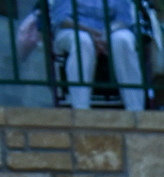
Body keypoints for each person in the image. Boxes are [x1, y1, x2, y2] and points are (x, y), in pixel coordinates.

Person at [16, 0, 146, 110]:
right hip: (72, 28)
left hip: (109, 31)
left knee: (123, 40)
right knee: (82, 41)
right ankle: (81, 108)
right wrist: (91, 33)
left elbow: (124, 19)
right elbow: (62, 19)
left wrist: (106, 34)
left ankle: (135, 108)